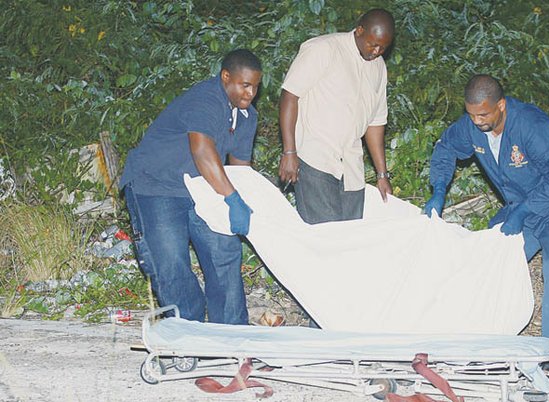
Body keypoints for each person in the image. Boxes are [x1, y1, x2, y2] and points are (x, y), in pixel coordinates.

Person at [425, 74, 549, 387]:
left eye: (484, 114)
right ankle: (486, 345)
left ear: (501, 106)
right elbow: (446, 148)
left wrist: (522, 212)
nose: (477, 121)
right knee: (490, 258)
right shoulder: (472, 124)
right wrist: (439, 188)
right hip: (526, 200)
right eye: (471, 114)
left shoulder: (532, 127)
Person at [118, 49, 262, 324]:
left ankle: (233, 337)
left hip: (201, 188)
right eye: (244, 85)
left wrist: (248, 202)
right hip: (156, 186)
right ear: (225, 77)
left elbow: (241, 168)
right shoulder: (205, 99)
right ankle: (187, 333)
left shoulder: (247, 117)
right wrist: (232, 198)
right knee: (170, 263)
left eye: (255, 86)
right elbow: (203, 152)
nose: (250, 93)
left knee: (224, 252)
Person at [278, 8, 395, 224]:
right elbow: (289, 96)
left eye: (383, 47)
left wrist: (382, 174)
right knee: (326, 238)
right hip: (315, 159)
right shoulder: (324, 49)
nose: (377, 51)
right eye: (373, 44)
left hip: (351, 167)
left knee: (350, 236)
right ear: (359, 31)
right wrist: (289, 151)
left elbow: (376, 123)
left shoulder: (379, 68)